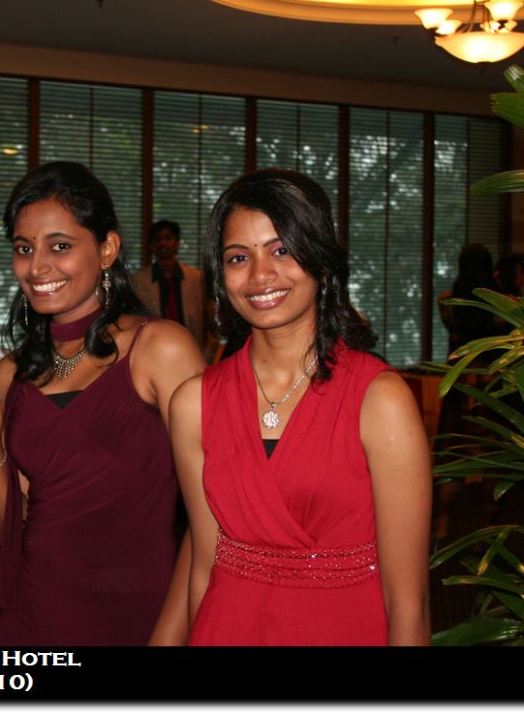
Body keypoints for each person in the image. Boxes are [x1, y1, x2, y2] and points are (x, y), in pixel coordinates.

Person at [169, 168, 430, 645]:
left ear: (320, 258)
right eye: (238, 257)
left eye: (281, 250)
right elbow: (204, 566)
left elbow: (409, 603)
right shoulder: (193, 403)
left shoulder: (380, 399)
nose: (260, 275)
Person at [0, 161, 205, 645]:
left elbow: (212, 517)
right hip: (32, 618)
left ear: (107, 249)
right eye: (24, 248)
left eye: (60, 246)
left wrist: (171, 637)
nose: (36, 267)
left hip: (138, 616)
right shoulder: (9, 375)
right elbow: (12, 534)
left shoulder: (161, 349)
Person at [130, 219, 213, 355]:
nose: (163, 243)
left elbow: (210, 318)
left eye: (168, 238)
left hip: (193, 350)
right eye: (157, 239)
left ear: (177, 243)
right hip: (153, 351)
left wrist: (208, 351)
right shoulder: (137, 281)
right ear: (151, 245)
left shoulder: (197, 278)